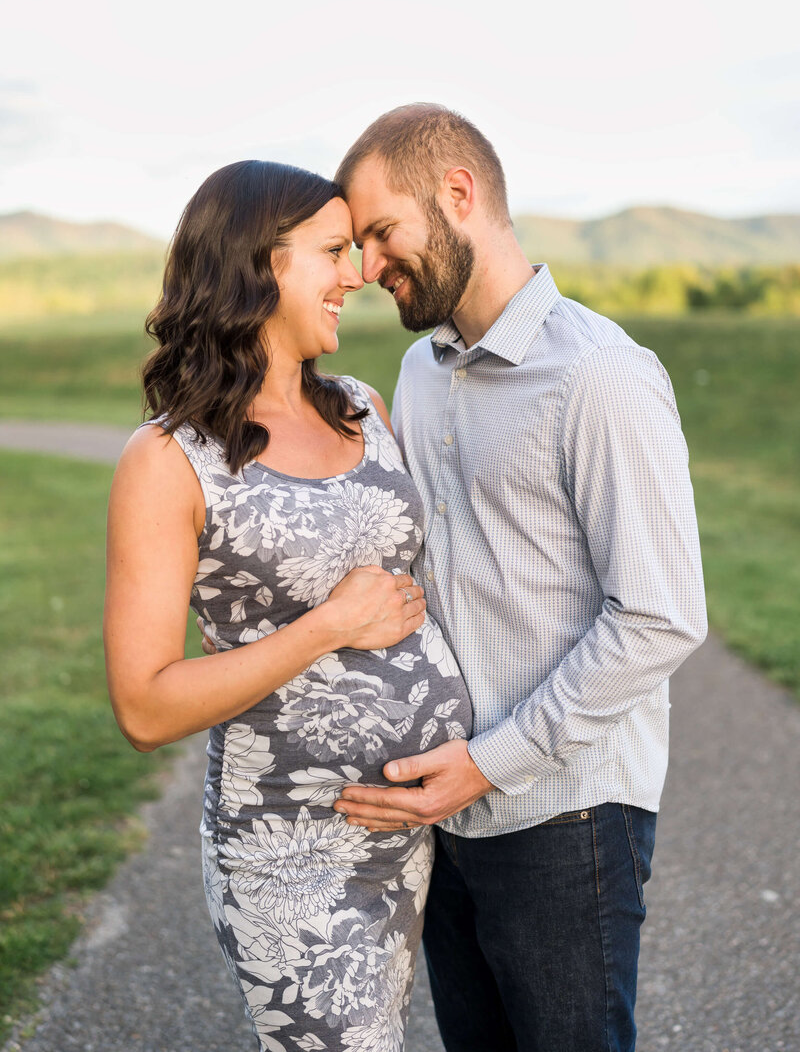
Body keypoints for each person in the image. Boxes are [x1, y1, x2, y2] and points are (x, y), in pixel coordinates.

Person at [330, 104, 708, 1052]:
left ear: (458, 193)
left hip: (566, 814)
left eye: (382, 232)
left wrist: (488, 763)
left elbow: (661, 618)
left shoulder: (600, 376)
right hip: (445, 815)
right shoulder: (419, 369)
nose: (369, 268)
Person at [103, 159, 472, 1052]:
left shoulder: (361, 407)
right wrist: (327, 627)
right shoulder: (167, 462)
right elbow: (146, 706)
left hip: (423, 831)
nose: (357, 275)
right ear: (257, 265)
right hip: (291, 849)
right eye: (332, 252)